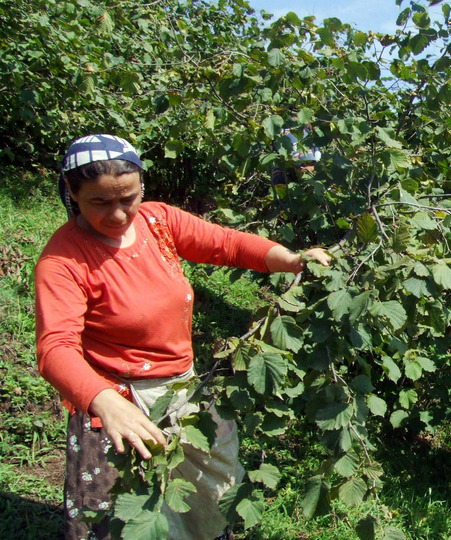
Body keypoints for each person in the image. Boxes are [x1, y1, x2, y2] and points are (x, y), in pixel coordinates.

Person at [34, 134, 332, 539]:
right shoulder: (63, 260)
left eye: (128, 198)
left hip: (182, 388)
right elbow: (56, 348)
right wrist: (105, 402)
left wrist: (292, 260)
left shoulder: (157, 222)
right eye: (99, 202)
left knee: (205, 498)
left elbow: (227, 244)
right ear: (71, 192)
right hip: (117, 402)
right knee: (117, 514)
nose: (119, 215)